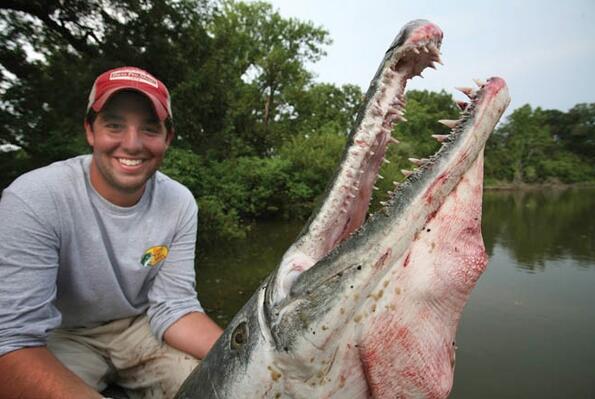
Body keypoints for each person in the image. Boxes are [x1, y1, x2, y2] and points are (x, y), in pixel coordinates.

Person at [0, 66, 223, 398]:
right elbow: (13, 340)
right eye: (114, 125)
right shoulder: (34, 198)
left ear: (167, 138)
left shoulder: (180, 203)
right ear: (90, 130)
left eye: (149, 128)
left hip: (140, 326)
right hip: (63, 332)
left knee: (221, 385)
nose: (131, 144)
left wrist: (246, 356)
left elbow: (173, 306)